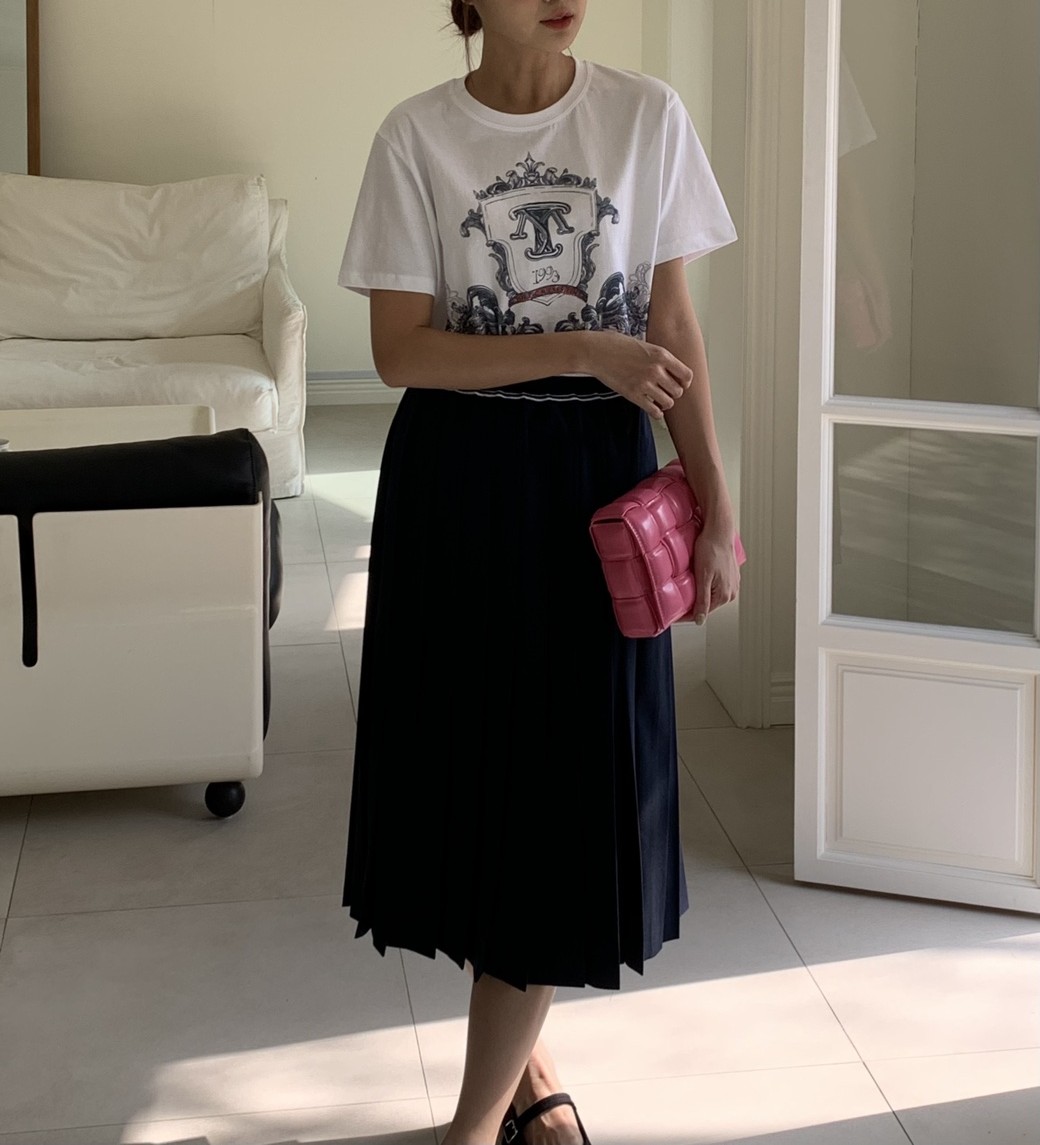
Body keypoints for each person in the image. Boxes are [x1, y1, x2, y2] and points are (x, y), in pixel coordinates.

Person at [337, 3, 740, 1142]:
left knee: (561, 800)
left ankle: (471, 1125)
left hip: (597, 487)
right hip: (459, 484)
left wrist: (715, 499)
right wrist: (580, 346)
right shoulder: (416, 135)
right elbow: (399, 350)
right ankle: (521, 1075)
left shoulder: (645, 116)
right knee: (475, 785)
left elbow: (672, 323)